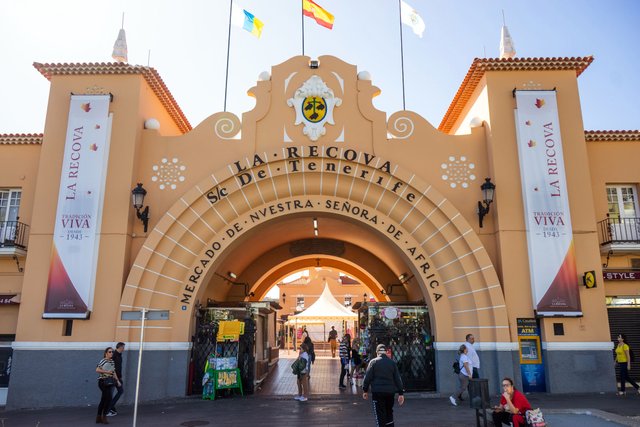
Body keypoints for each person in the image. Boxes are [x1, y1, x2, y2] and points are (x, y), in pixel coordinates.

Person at [362, 344, 405, 427]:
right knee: (389, 413)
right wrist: (401, 393)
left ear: (377, 352)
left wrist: (365, 390)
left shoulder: (373, 362)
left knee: (380, 416)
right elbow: (397, 379)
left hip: (377, 393)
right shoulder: (392, 363)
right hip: (390, 392)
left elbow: (367, 377)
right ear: (386, 352)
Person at [96, 347, 120, 424]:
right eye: (109, 352)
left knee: (103, 399)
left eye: (112, 352)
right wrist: (107, 371)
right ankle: (104, 416)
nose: (111, 353)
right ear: (106, 353)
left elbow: (113, 372)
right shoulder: (103, 360)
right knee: (108, 398)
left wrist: (117, 381)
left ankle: (99, 417)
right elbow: (97, 370)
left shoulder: (112, 361)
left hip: (109, 382)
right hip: (102, 382)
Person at [106, 342, 125, 417]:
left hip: (118, 377)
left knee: (120, 391)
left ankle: (111, 408)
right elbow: (112, 368)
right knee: (111, 394)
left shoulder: (119, 355)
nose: (124, 349)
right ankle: (107, 410)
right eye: (123, 347)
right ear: (120, 347)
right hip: (113, 377)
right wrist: (117, 380)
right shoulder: (114, 355)